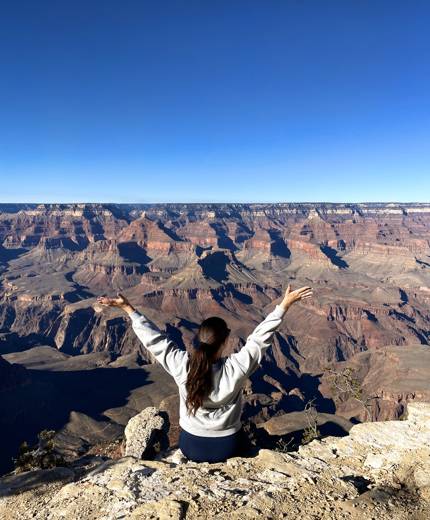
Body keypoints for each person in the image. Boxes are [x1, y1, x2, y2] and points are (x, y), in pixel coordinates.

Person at [97, 284, 313, 463]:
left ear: (199, 339)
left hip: (192, 445)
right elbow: (259, 339)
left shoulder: (183, 366)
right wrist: (284, 305)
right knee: (252, 440)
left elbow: (155, 341)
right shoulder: (236, 367)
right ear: (225, 341)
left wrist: (128, 309)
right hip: (227, 445)